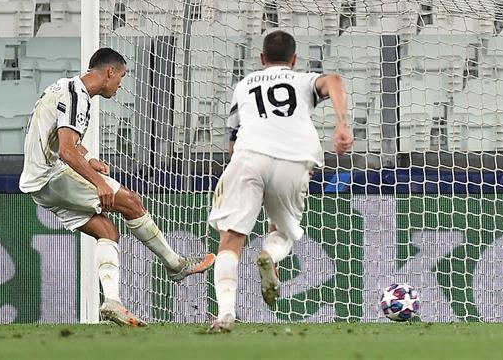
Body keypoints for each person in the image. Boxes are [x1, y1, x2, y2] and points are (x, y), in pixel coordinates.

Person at [20, 48, 216, 327]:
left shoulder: (66, 88)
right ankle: (175, 264)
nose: (121, 84)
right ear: (109, 72)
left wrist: (89, 160)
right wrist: (98, 182)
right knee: (132, 202)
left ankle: (112, 302)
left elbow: (63, 140)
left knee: (107, 231)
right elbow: (65, 150)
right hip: (52, 175)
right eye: (121, 76)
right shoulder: (78, 97)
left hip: (37, 181)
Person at [207, 30, 353, 333]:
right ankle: (269, 256)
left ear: (262, 59)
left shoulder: (244, 85)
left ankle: (225, 315)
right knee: (283, 231)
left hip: (249, 156)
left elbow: (233, 140)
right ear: (294, 59)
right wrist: (341, 124)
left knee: (231, 238)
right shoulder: (301, 81)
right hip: (294, 158)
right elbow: (335, 80)